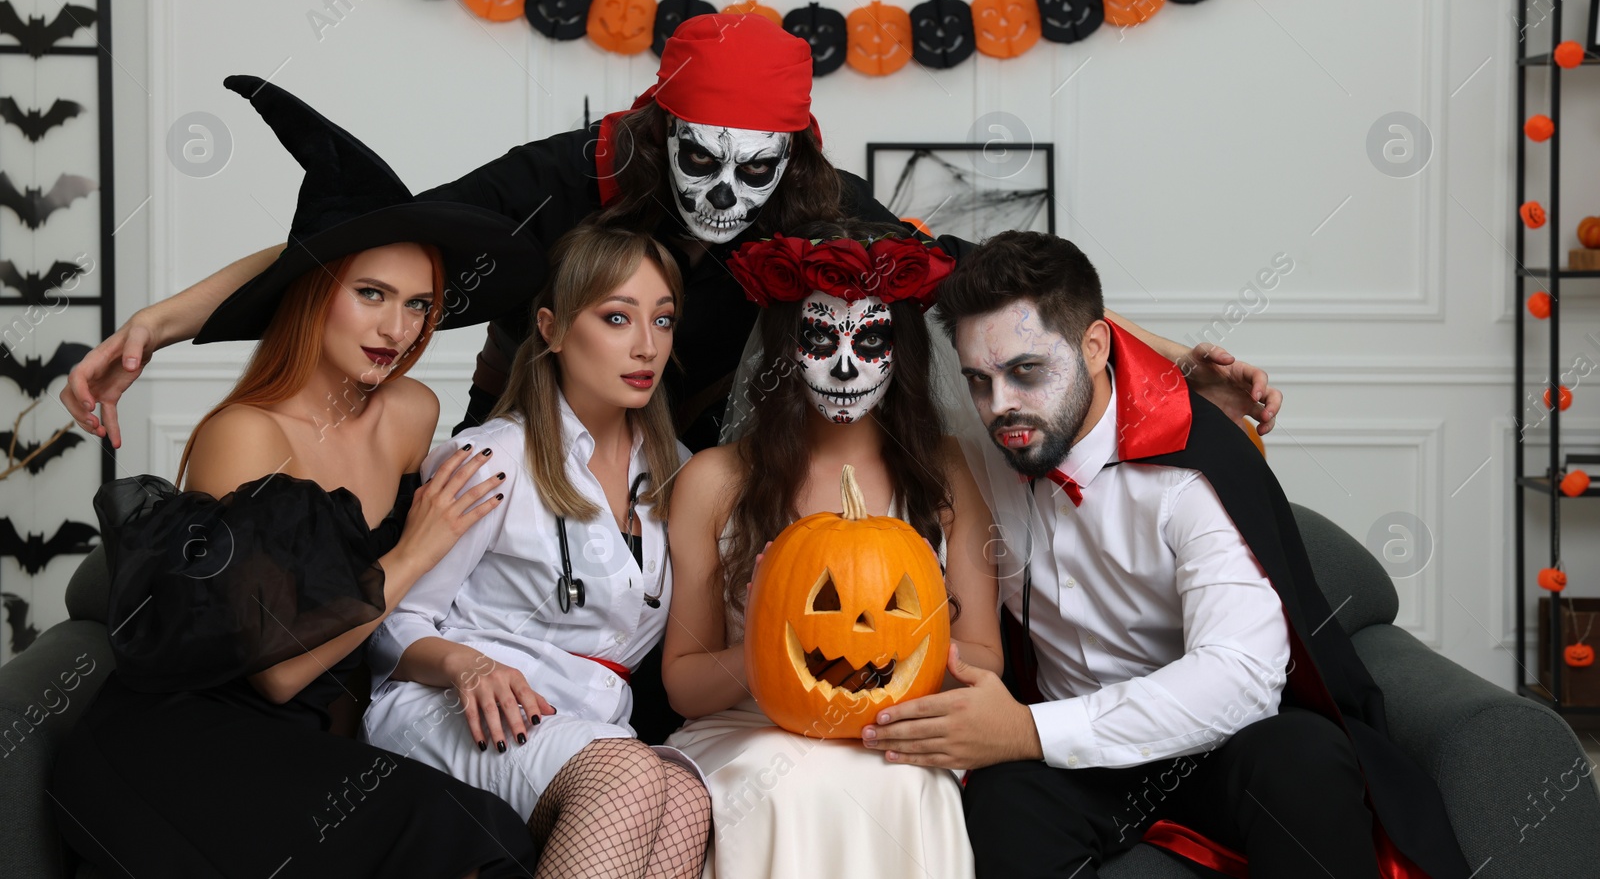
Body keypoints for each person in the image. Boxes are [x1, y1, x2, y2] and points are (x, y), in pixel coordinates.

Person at [63, 15, 1281, 459]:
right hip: (534, 461)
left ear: (793, 156)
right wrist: (158, 325)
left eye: (753, 170)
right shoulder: (569, 175)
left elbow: (992, 291)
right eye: (698, 159)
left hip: (702, 490)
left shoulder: (821, 207)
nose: (722, 192)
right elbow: (369, 243)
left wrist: (1171, 358)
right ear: (653, 128)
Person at [49, 75, 544, 878]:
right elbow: (280, 669)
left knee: (491, 832)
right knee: (460, 836)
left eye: (419, 304)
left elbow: (406, 618)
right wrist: (415, 549)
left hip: (306, 741)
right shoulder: (246, 436)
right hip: (179, 745)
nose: (397, 328)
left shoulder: (411, 410)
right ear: (316, 294)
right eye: (371, 295)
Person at [859, 231, 1470, 879]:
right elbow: (914, 247)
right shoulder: (979, 456)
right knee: (1000, 803)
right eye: (979, 381)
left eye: (1027, 371)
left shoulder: (1195, 463)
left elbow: (1240, 675)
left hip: (1216, 746)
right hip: (1075, 761)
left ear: (1096, 348)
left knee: (1302, 758)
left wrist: (1027, 731)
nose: (1000, 404)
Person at [362, 222, 711, 878]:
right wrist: (468, 666)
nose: (645, 345)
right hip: (455, 710)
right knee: (632, 776)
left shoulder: (678, 474)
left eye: (662, 321)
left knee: (689, 798)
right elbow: (388, 626)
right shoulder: (492, 458)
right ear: (550, 328)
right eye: (616, 317)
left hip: (582, 729)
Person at [660, 222, 1002, 878]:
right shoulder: (713, 478)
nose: (845, 365)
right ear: (785, 350)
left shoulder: (945, 469)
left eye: (869, 339)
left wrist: (895, 659)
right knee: (778, 781)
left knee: (902, 784)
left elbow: (985, 651)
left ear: (900, 349)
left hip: (899, 734)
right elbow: (683, 679)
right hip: (747, 733)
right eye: (819, 338)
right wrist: (770, 646)